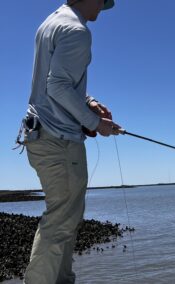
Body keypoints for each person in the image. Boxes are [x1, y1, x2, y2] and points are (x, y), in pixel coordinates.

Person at [22, 1, 119, 283]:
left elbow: (57, 80)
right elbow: (58, 86)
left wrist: (90, 102)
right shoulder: (78, 30)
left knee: (66, 219)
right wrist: (96, 124)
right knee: (61, 222)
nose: (103, 7)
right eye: (103, 1)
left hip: (40, 135)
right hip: (59, 140)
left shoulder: (50, 23)